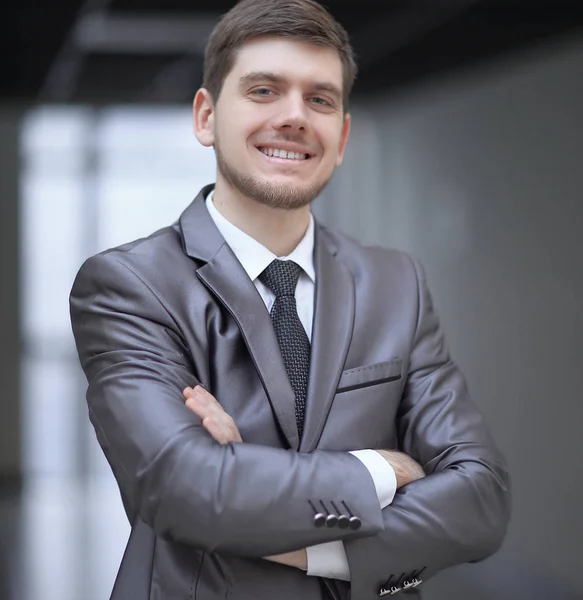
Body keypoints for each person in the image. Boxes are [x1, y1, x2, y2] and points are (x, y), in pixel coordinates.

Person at [69, 0, 511, 598]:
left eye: (320, 99)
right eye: (263, 90)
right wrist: (387, 468)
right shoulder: (129, 286)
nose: (295, 116)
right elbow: (185, 487)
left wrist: (303, 542)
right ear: (206, 117)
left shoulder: (395, 283)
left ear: (343, 134)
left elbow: (481, 499)